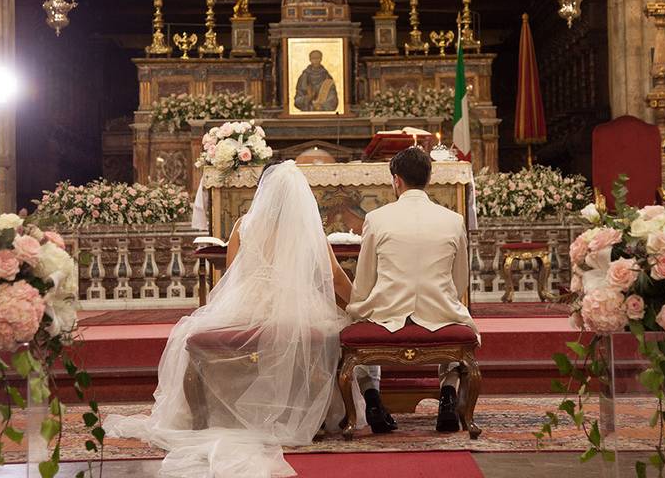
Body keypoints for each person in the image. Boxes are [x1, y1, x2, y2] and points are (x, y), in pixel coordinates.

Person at [105, 160, 354, 477]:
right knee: (334, 330)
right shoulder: (307, 229)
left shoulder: (244, 225)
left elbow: (234, 276)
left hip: (247, 304)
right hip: (294, 306)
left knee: (191, 335)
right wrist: (357, 304)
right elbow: (333, 276)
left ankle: (212, 414)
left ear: (263, 191)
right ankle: (309, 414)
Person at [347, 146, 478, 434]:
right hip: (439, 307)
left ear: (397, 180)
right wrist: (443, 299)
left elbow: (366, 279)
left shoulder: (377, 218)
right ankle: (448, 394)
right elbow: (459, 282)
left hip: (389, 310)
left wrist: (357, 307)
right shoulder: (453, 220)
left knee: (353, 322)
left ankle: (371, 398)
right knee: (453, 315)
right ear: (428, 179)